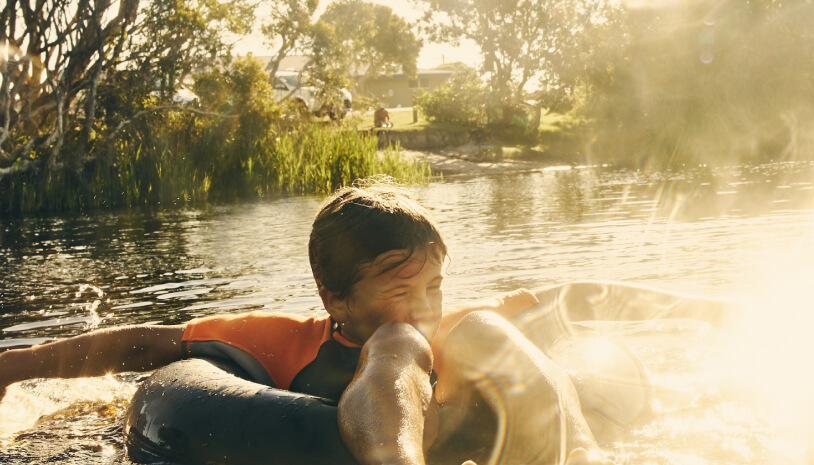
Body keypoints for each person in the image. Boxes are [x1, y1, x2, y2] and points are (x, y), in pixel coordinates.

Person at [0, 180, 605, 465]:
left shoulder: (459, 333)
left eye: (435, 286)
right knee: (395, 343)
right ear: (334, 297)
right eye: (401, 289)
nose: (425, 306)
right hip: (326, 433)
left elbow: (538, 318)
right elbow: (147, 344)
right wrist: (17, 365)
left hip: (470, 430)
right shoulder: (285, 340)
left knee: (475, 331)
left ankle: (585, 457)